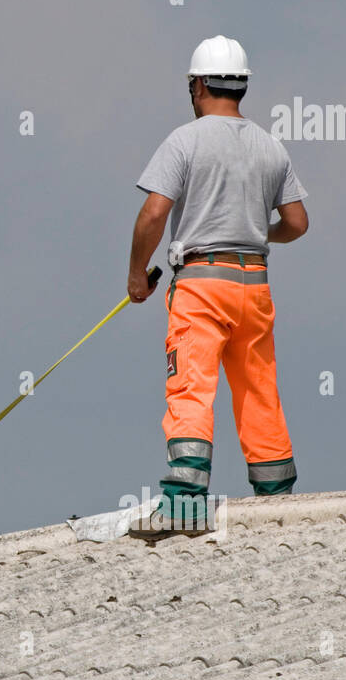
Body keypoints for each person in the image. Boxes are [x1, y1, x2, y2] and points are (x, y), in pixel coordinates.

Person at [126, 36, 309, 537]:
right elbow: (296, 222)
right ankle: (275, 502)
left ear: (198, 84)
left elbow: (155, 213)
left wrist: (136, 276)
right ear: (242, 86)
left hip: (202, 283)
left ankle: (184, 504)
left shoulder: (185, 141)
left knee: (191, 384)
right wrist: (253, 233)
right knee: (258, 388)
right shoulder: (271, 146)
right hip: (255, 281)